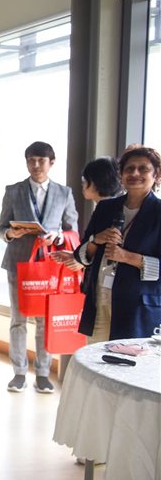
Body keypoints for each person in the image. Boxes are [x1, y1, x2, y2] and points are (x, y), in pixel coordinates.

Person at [0, 141, 79, 393]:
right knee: (18, 319)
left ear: (51, 163)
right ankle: (19, 372)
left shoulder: (64, 193)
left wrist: (58, 236)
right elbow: (1, 229)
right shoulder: (13, 191)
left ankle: (43, 373)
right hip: (19, 264)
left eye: (41, 160)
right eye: (31, 160)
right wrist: (11, 233)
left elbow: (72, 230)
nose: (35, 165)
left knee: (44, 321)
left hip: (50, 265)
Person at [69, 145, 160, 343]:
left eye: (143, 169)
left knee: (125, 361)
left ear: (156, 175)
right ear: (121, 174)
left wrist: (126, 257)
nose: (135, 173)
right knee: (94, 357)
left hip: (136, 308)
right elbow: (80, 256)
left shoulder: (158, 213)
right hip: (99, 300)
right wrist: (96, 240)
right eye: (129, 168)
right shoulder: (106, 208)